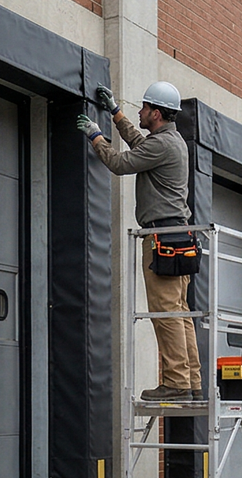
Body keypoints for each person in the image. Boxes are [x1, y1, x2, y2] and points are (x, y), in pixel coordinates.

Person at [77, 82, 202, 402]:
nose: (140, 112)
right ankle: (191, 382)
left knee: (165, 312)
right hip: (177, 235)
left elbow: (120, 163)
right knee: (179, 310)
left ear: (156, 114)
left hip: (161, 236)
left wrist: (95, 136)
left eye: (143, 108)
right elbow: (139, 143)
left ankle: (176, 383)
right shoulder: (168, 141)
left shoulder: (162, 145)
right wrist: (116, 114)